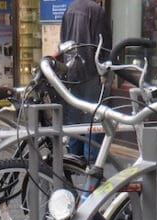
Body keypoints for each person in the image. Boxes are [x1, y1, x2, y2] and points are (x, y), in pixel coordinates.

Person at [60, 0, 112, 160]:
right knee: (95, 115)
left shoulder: (70, 9)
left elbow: (63, 39)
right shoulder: (98, 11)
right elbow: (105, 44)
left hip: (73, 69)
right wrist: (105, 70)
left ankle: (74, 154)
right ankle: (93, 156)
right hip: (93, 69)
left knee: (75, 114)